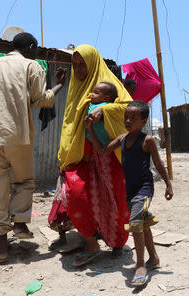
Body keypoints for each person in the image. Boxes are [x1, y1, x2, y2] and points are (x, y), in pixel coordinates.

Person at [0, 32, 67, 263]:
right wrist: (59, 86)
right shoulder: (33, 67)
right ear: (31, 47)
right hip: (19, 136)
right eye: (36, 49)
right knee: (24, 182)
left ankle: (2, 247)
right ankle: (21, 224)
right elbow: (41, 99)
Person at [56, 44, 133, 267]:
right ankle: (91, 243)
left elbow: (131, 108)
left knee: (115, 200)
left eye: (83, 64)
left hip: (110, 157)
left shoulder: (110, 83)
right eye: (76, 65)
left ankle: (118, 241)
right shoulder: (76, 88)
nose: (79, 69)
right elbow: (70, 124)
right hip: (82, 156)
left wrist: (105, 109)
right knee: (77, 195)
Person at [86, 100, 173, 286]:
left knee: (134, 223)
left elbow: (158, 164)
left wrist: (168, 184)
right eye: (126, 117)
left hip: (144, 188)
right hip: (130, 191)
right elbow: (102, 150)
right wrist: (91, 129)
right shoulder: (122, 139)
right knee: (142, 223)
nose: (128, 120)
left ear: (144, 120)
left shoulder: (147, 140)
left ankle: (140, 265)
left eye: (133, 117)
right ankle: (154, 258)